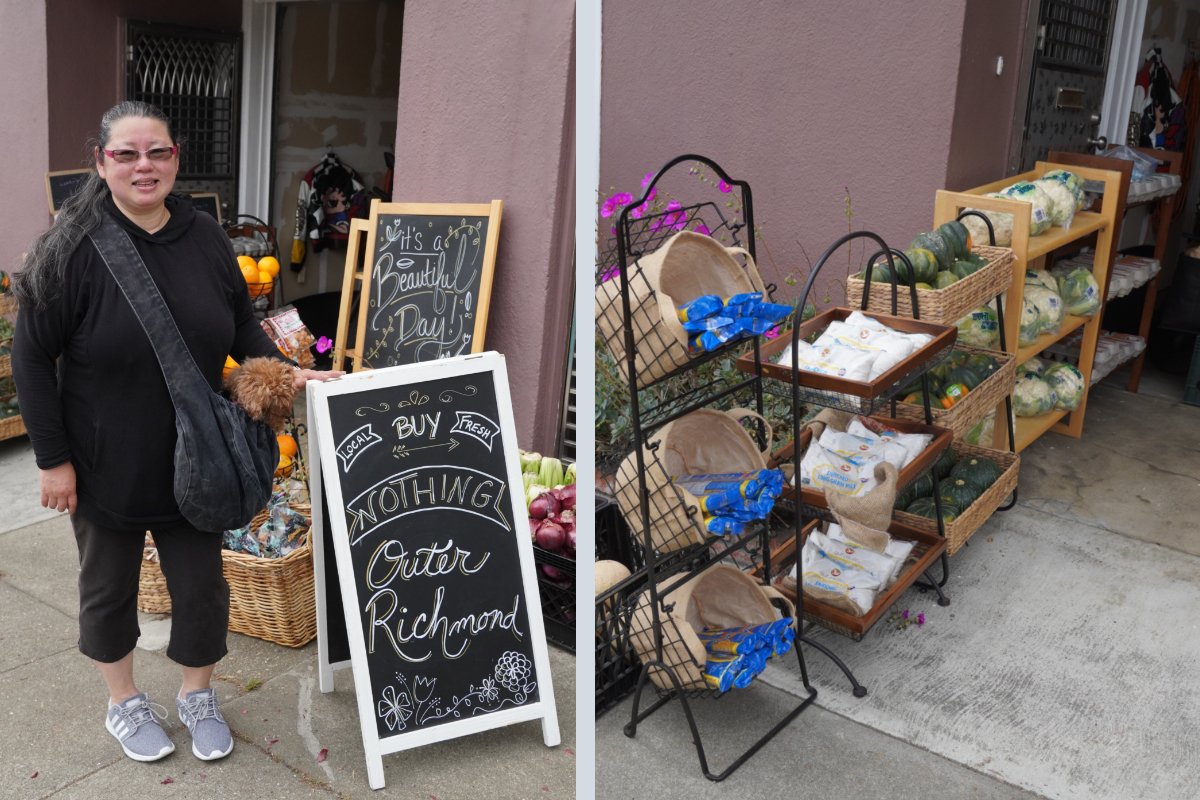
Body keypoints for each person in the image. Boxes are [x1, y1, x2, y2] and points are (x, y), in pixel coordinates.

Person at [11, 101, 342, 763]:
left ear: (176, 160)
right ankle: (124, 702)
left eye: (157, 152)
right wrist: (53, 460)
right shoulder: (71, 249)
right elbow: (29, 357)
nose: (144, 166)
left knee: (201, 587)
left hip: (201, 454)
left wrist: (292, 373)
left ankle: (197, 693)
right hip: (104, 458)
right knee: (108, 590)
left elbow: (243, 329)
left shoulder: (204, 237)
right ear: (102, 163)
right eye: (127, 153)